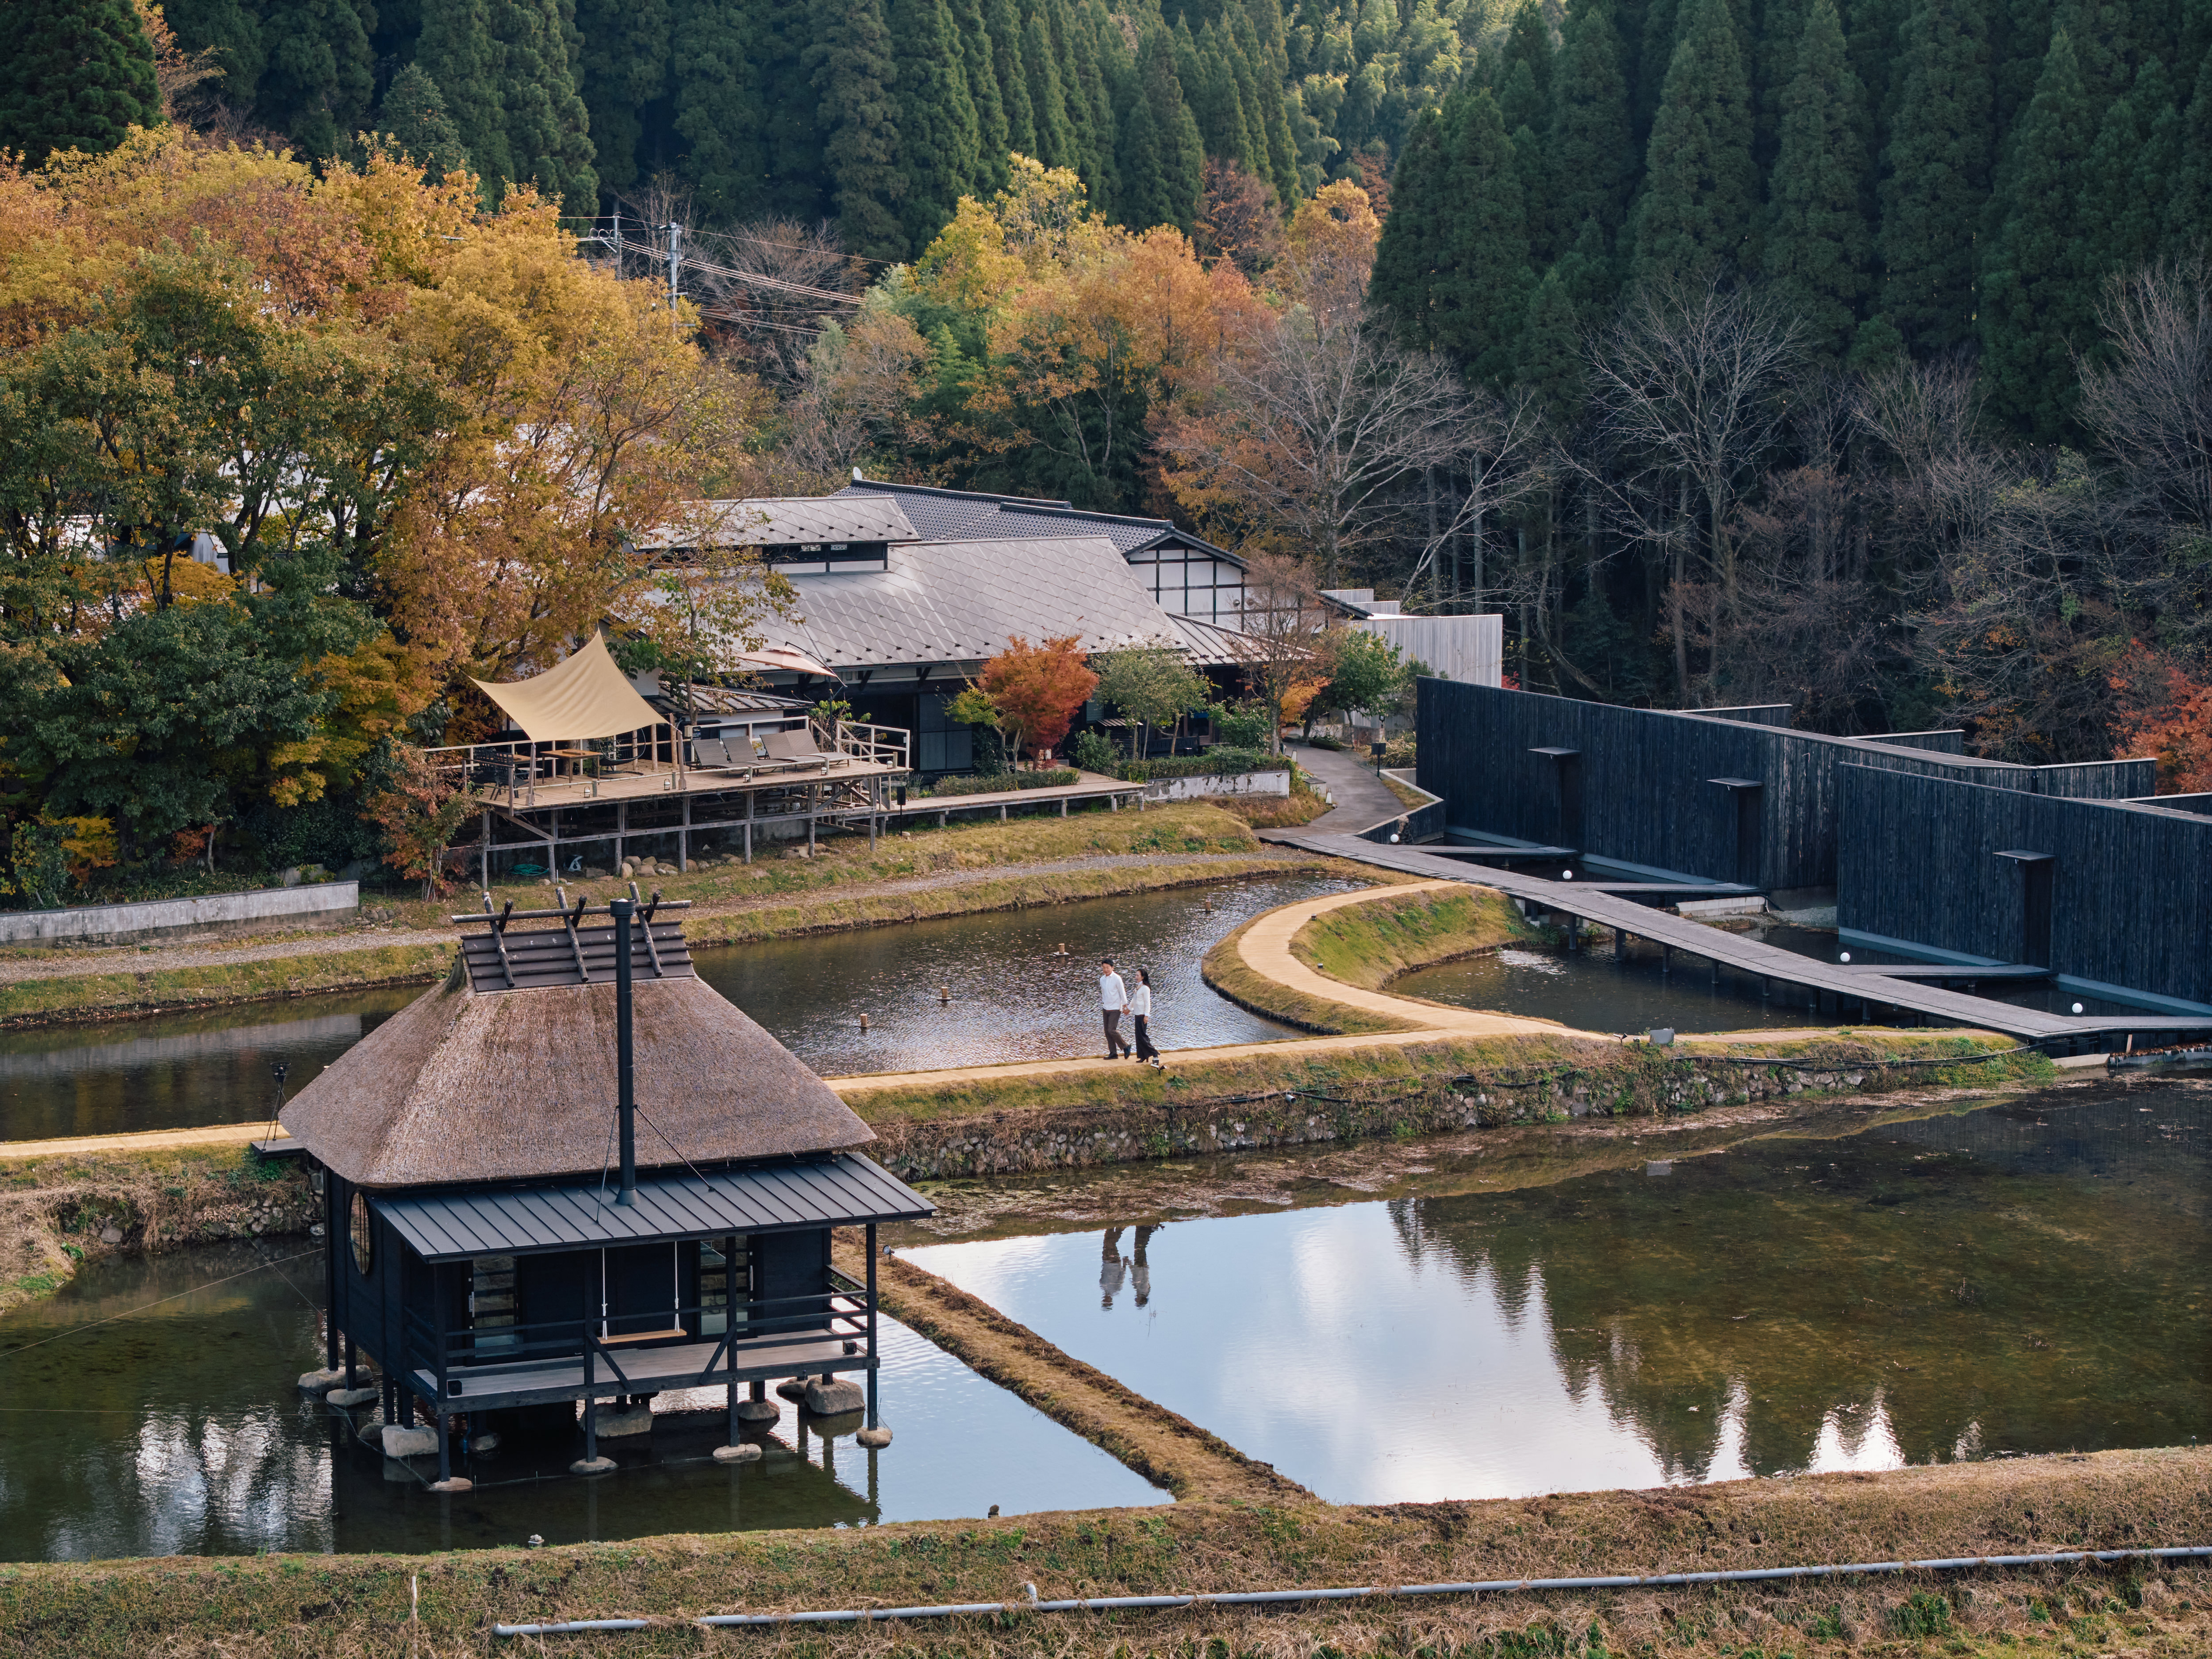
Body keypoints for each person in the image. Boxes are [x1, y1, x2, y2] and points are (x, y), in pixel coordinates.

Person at [1098, 958, 1132, 1058]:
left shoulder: (1117, 978)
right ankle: (1113, 1053)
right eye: (1104, 968)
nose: (1106, 970)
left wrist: (1125, 1006)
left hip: (1116, 1008)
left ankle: (1125, 1046)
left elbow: (1122, 992)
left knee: (1112, 1030)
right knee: (1107, 1032)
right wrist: (1104, 1003)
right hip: (1106, 1007)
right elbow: (1104, 993)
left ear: (1112, 968)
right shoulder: (1102, 979)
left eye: (1108, 968)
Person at [1130, 968, 1160, 1065]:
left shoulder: (1145, 988)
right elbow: (1134, 1000)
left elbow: (1148, 1003)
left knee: (1143, 1036)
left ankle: (1154, 1052)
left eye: (1138, 975)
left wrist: (1147, 1015)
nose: (1136, 977)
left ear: (1143, 977)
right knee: (1138, 1037)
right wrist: (1129, 1009)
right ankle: (1143, 1056)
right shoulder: (1138, 987)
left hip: (1142, 1015)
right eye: (1136, 975)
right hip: (1137, 1014)